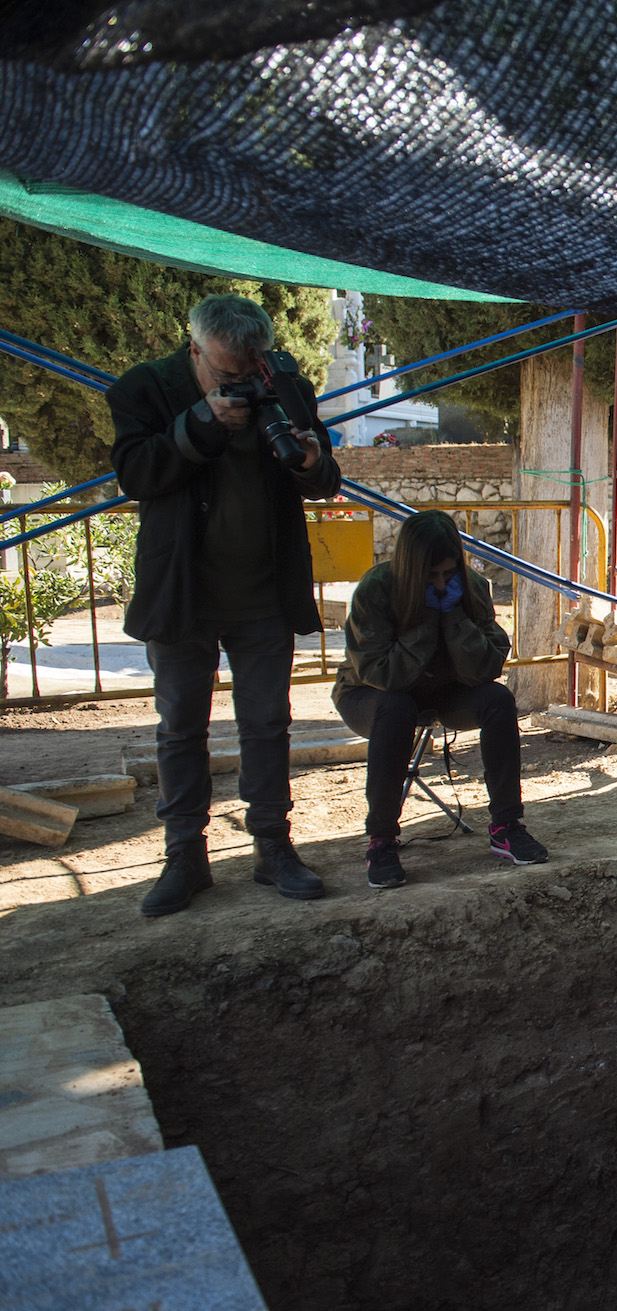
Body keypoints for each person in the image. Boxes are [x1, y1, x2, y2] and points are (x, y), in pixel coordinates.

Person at [107, 293, 343, 917]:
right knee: (181, 728)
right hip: (183, 593)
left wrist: (316, 461)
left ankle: (273, 849)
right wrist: (201, 424)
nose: (242, 383)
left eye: (250, 370)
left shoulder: (281, 380)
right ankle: (185, 856)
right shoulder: (146, 388)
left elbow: (321, 478)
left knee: (267, 724)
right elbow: (137, 474)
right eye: (226, 373)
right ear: (194, 350)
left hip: (264, 592)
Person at [332, 511, 547, 887]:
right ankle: (381, 840)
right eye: (429, 577)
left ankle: (506, 826)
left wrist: (453, 619)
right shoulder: (376, 589)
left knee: (497, 700)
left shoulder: (471, 588)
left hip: (444, 690)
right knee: (396, 707)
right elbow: (381, 673)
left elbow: (488, 665)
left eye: (448, 574)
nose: (440, 583)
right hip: (372, 695)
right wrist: (424, 624)